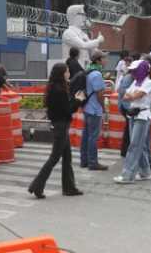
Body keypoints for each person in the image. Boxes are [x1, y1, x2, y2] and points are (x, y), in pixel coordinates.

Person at [27, 64, 85, 198]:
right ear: (62, 74)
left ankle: (69, 187)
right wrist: (78, 100)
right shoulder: (60, 90)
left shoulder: (54, 87)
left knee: (67, 157)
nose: (69, 73)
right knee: (54, 158)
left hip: (59, 124)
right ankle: (37, 186)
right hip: (61, 125)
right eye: (67, 71)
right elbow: (68, 109)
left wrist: (74, 100)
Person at [113, 59, 151, 184]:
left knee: (134, 145)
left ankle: (128, 175)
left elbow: (134, 95)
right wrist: (133, 95)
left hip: (142, 116)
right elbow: (126, 95)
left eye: (135, 70)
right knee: (138, 144)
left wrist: (133, 95)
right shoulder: (137, 82)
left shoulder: (149, 83)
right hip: (134, 114)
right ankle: (145, 172)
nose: (133, 72)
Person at [80, 50, 108, 171]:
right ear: (98, 60)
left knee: (86, 135)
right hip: (95, 109)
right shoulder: (97, 74)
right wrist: (104, 107)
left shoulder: (88, 70)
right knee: (93, 136)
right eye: (104, 58)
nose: (106, 60)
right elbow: (100, 94)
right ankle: (93, 162)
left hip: (87, 108)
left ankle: (84, 160)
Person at [116, 66, 135, 157]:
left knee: (128, 129)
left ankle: (125, 150)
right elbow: (123, 92)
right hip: (126, 106)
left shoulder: (130, 77)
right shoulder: (129, 77)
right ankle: (125, 151)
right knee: (128, 129)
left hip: (127, 106)